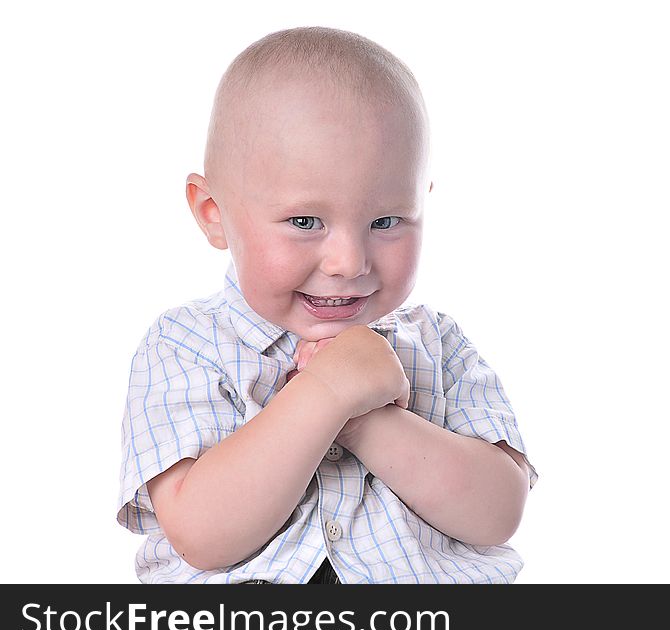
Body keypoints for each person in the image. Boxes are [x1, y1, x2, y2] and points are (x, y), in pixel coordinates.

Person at [117, 26, 538, 584]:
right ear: (213, 212)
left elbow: (497, 513)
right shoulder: (185, 346)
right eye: (304, 222)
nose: (348, 261)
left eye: (386, 221)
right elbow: (202, 534)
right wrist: (326, 396)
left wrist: (368, 423)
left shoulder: (439, 344)